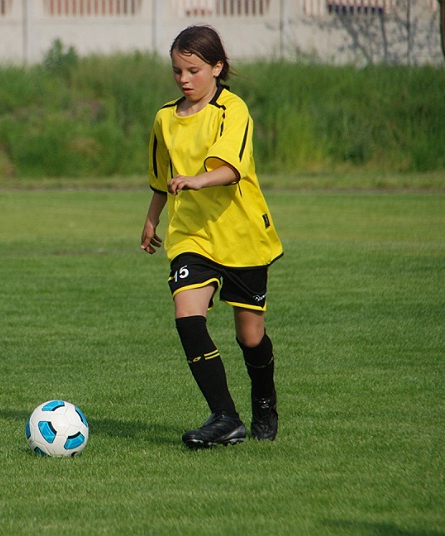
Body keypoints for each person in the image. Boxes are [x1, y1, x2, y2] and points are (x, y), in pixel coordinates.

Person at [140, 25, 283, 447]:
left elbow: (231, 169)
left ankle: (264, 400)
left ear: (217, 67)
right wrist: (151, 220)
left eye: (193, 70)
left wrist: (197, 180)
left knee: (250, 337)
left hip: (241, 236)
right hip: (191, 235)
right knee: (187, 316)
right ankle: (225, 417)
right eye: (177, 71)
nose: (184, 79)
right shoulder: (165, 118)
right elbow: (161, 179)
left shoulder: (232, 110)